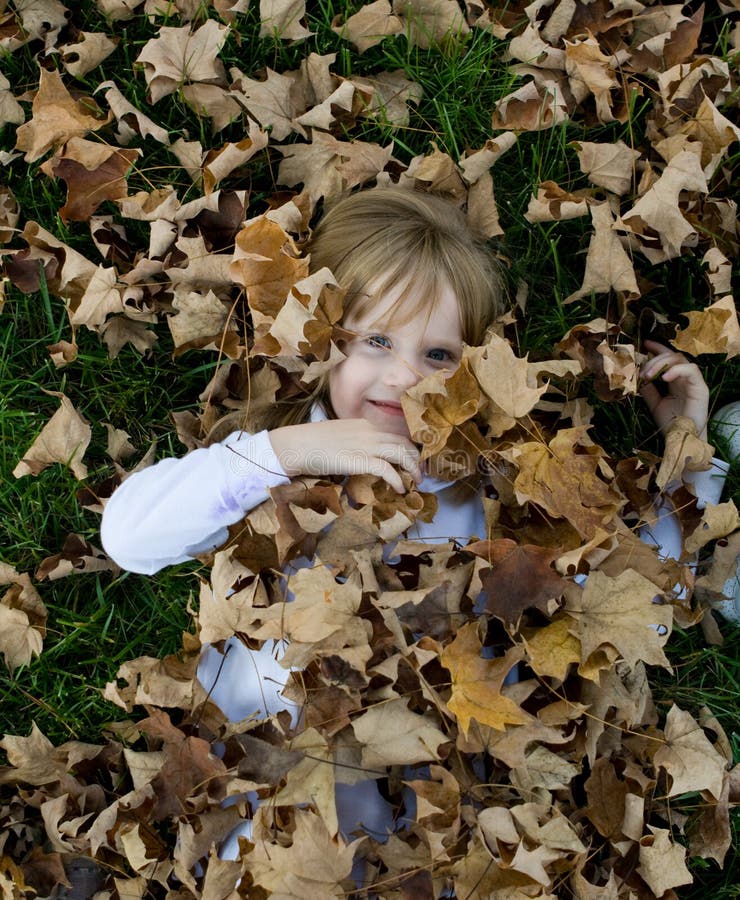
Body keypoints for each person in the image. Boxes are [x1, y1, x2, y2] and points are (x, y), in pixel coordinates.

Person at [100, 186, 729, 866]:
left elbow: (640, 615)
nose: (403, 377)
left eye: (438, 356)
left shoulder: (494, 493)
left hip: (436, 841)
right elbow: (129, 539)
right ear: (319, 336)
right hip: (275, 831)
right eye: (375, 340)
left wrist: (689, 453)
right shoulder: (265, 469)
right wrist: (278, 456)